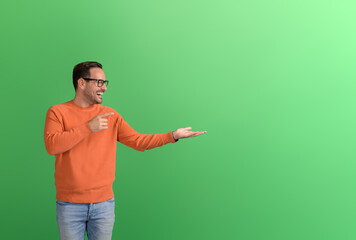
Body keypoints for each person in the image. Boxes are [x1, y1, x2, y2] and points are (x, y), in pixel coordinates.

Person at [44, 61, 207, 240]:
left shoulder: (110, 115)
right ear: (82, 83)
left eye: (105, 83)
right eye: (99, 82)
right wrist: (88, 127)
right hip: (70, 205)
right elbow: (52, 146)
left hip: (104, 205)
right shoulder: (57, 112)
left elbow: (138, 141)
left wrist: (172, 135)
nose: (104, 88)